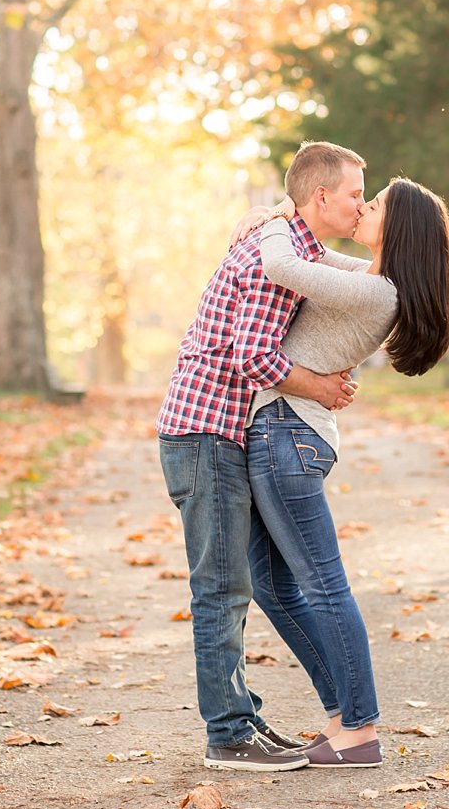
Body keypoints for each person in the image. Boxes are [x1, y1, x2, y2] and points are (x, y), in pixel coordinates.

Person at [156, 141, 373, 771]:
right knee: (221, 590)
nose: (362, 204)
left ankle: (241, 719)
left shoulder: (293, 245)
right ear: (322, 197)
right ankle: (226, 733)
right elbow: (253, 358)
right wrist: (323, 386)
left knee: (239, 585)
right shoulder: (272, 254)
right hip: (204, 432)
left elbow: (364, 281)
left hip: (219, 430)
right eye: (356, 193)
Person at [235, 176, 449, 768]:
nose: (362, 206)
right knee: (274, 587)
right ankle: (341, 717)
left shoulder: (378, 292)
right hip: (280, 431)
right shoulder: (365, 280)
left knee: (323, 586)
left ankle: (359, 730)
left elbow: (284, 263)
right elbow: (308, 254)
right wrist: (279, 213)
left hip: (288, 434)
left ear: (400, 227)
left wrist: (280, 212)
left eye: (375, 203)